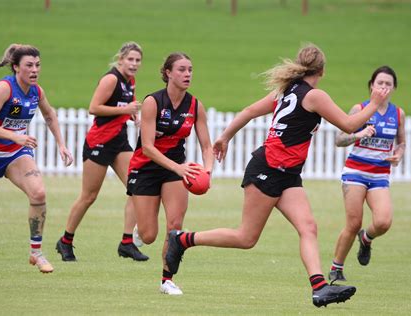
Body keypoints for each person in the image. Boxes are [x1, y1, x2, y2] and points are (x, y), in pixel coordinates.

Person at [165, 44, 390, 307]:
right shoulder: (314, 96)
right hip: (268, 169)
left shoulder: (287, 90)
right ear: (322, 70)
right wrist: (375, 102)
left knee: (308, 227)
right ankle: (182, 239)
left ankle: (319, 288)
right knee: (246, 238)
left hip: (288, 174)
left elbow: (248, 111)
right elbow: (350, 125)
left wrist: (225, 137)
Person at [0, 44, 73, 273]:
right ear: (16, 67)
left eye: (38, 65)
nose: (35, 70)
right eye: (29, 66)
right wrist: (15, 136)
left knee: (38, 193)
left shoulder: (36, 91)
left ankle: (36, 253)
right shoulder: (4, 88)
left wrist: (62, 145)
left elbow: (50, 115)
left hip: (16, 153)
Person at [127, 52, 214, 295]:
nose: (187, 74)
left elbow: (207, 146)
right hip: (145, 167)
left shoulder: (195, 106)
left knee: (175, 226)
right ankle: (138, 231)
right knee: (149, 234)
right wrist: (178, 168)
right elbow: (147, 147)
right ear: (168, 73)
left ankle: (167, 280)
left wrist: (207, 171)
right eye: (182, 70)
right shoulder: (153, 102)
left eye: (190, 70)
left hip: (176, 169)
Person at [55, 42, 148, 262]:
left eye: (137, 60)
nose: (134, 64)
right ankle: (65, 241)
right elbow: (94, 108)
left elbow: (126, 104)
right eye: (130, 59)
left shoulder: (130, 81)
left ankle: (127, 243)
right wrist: (125, 110)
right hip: (99, 142)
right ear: (121, 59)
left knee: (137, 188)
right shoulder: (111, 79)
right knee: (89, 196)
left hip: (119, 140)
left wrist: (134, 115)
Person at [329, 66, 405, 282]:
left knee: (383, 222)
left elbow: (402, 142)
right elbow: (339, 140)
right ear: (372, 86)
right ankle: (337, 268)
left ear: (393, 88)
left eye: (388, 84)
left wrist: (399, 154)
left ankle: (367, 238)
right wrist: (359, 134)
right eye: (380, 83)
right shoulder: (360, 109)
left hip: (380, 174)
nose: (383, 87)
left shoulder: (398, 114)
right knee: (353, 223)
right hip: (356, 171)